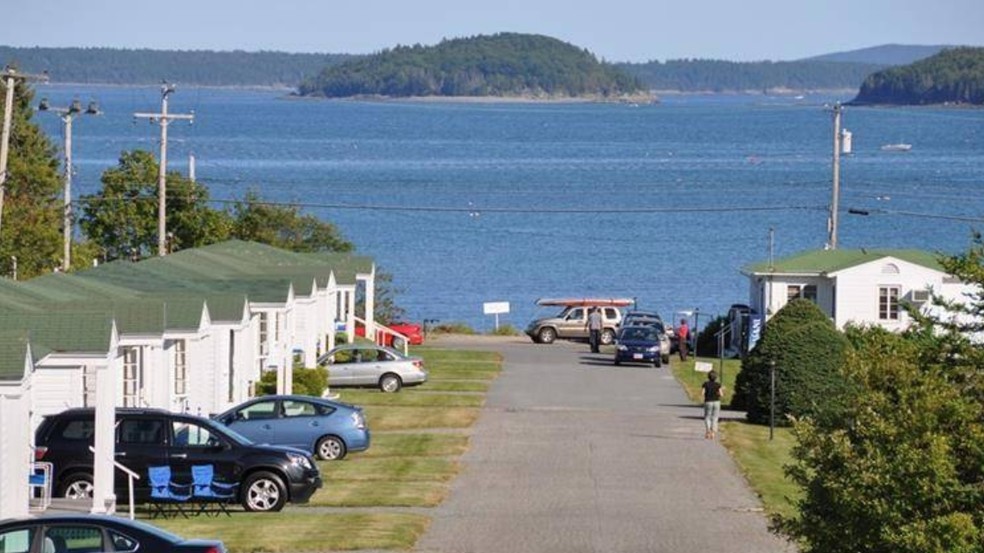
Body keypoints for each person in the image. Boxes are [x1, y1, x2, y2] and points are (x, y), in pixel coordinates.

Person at [701, 371, 724, 439]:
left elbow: (702, 393)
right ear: (716, 377)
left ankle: (708, 431)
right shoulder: (718, 384)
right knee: (715, 417)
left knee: (707, 417)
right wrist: (719, 392)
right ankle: (713, 433)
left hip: (708, 401)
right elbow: (721, 395)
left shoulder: (705, 384)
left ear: (708, 377)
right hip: (716, 402)